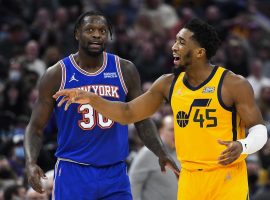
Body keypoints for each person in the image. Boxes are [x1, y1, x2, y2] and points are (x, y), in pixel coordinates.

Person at [54, 18, 268, 200]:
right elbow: (127, 113)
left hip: (227, 176)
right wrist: (91, 98)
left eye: (181, 42)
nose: (174, 47)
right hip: (190, 177)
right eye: (176, 41)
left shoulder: (233, 84)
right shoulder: (168, 84)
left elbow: (259, 130)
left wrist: (243, 145)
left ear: (200, 52)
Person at [24, 10, 179, 200]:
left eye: (102, 30)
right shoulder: (57, 74)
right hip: (74, 171)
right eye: (90, 29)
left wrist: (161, 152)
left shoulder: (125, 70)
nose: (97, 34)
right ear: (77, 34)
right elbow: (36, 127)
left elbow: (141, 118)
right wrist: (31, 162)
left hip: (114, 172)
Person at [129, 115, 180, 200]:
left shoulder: (180, 152)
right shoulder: (148, 153)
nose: (175, 133)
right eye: (171, 130)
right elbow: (133, 182)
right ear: (160, 131)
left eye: (177, 130)